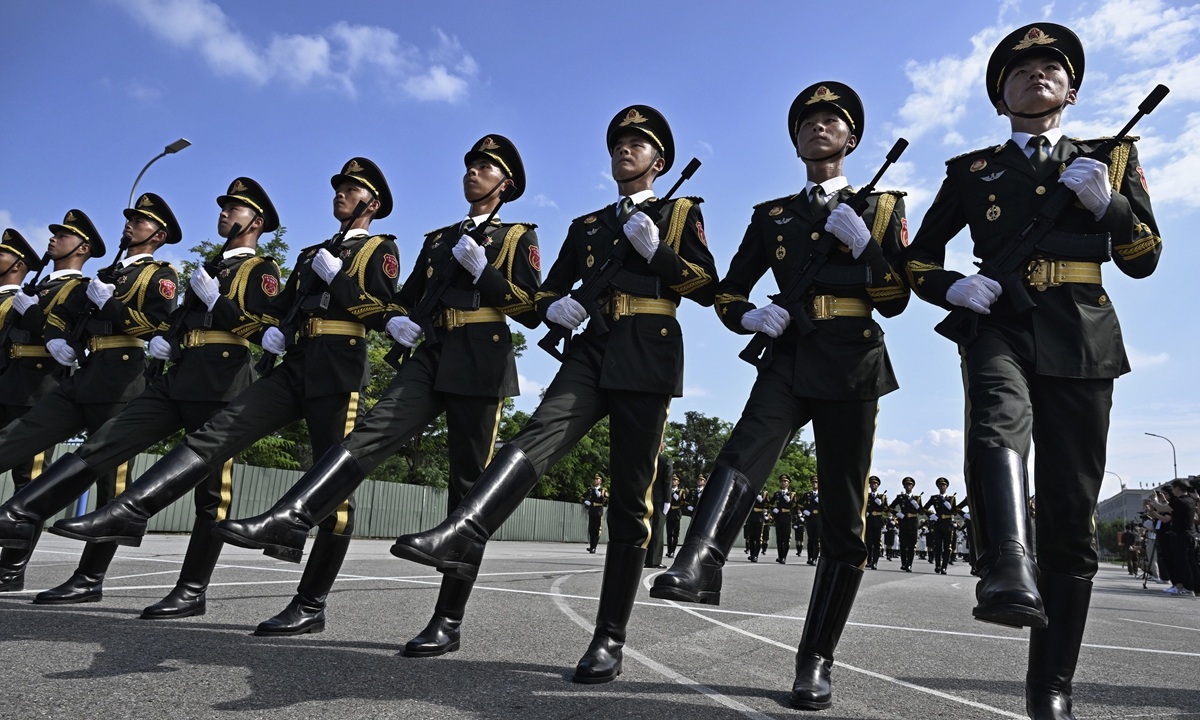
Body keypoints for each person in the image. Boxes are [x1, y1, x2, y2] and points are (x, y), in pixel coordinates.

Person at [390, 104, 717, 684]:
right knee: (536, 434)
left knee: (630, 498)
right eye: (619, 142)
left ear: (659, 162)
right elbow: (545, 293)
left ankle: (609, 637)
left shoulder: (679, 212)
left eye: (638, 145)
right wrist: (557, 310)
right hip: (592, 348)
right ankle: (463, 529)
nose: (626, 150)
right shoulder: (588, 227)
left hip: (648, 349)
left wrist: (658, 253)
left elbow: (705, 285)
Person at [903, 23, 1161, 718]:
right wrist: (952, 286)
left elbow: (1144, 256)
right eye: (1019, 71)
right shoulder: (973, 172)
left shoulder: (1109, 156)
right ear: (1000, 99)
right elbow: (918, 259)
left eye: (1051, 67)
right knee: (996, 420)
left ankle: (1050, 684)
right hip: (1001, 321)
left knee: (1073, 517)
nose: (1036, 75)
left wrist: (1110, 205)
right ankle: (1007, 566)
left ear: (1071, 90)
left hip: (1083, 333)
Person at [213, 138, 541, 653]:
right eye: (471, 166)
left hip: (482, 357)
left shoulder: (518, 235)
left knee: (466, 489)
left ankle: (447, 621)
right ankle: (290, 517)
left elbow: (526, 302)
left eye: (485, 168)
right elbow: (403, 299)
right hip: (432, 353)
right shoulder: (439, 239)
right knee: (370, 432)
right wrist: (392, 318)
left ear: (506, 185)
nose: (473, 173)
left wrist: (485, 271)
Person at [48, 159, 399, 637]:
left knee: (333, 493)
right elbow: (277, 313)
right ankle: (131, 510)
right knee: (221, 433)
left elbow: (377, 309)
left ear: (372, 204)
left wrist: (335, 278)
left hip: (339, 369)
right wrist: (271, 331)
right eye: (338, 186)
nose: (340, 193)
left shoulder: (380, 248)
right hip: (296, 363)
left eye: (352, 188)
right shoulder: (311, 252)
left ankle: (310, 604)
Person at [649, 82, 909, 710]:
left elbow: (897, 297)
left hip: (853, 363)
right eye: (809, 122)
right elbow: (729, 290)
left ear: (852, 139)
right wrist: (749, 318)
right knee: (743, 449)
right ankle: (699, 561)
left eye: (833, 121)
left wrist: (866, 246)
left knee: (845, 514)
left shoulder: (882, 204)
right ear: (795, 141)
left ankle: (816, 658)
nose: (820, 128)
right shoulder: (773, 216)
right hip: (790, 357)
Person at [0, 181, 281, 617]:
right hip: (176, 373)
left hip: (223, 381)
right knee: (100, 447)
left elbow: (265, 327)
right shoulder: (205, 267)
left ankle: (189, 590)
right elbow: (169, 323)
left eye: (236, 208)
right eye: (224, 207)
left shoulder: (260, 268)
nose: (225, 213)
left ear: (256, 222)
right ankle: (22, 516)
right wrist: (167, 340)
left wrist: (212, 305)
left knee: (210, 494)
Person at [0, 199, 179, 604]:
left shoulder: (161, 275)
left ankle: (89, 578)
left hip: (122, 378)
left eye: (140, 221)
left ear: (159, 235)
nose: (130, 225)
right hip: (86, 375)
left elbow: (155, 325)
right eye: (130, 219)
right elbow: (65, 319)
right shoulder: (104, 274)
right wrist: (56, 336)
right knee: (18, 438)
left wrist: (109, 303)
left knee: (111, 486)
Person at [1148, 480, 1198, 596]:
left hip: (1180, 536)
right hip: (1189, 534)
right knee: (1191, 563)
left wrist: (1154, 499)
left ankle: (1188, 587)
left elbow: (1161, 508)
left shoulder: (1179, 501)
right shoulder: (1190, 500)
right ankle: (1195, 588)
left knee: (1182, 563)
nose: (1173, 491)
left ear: (1178, 488)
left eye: (1173, 488)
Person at [923, 477, 956, 574]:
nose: (942, 487)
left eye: (944, 485)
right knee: (937, 546)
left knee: (947, 547)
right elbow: (924, 509)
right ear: (938, 487)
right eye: (940, 485)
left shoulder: (951, 499)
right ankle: (937, 565)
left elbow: (955, 511)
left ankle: (944, 567)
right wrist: (931, 515)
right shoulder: (934, 498)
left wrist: (950, 508)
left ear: (947, 487)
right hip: (938, 524)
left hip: (948, 525)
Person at [646, 445, 672, 569]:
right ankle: (654, 560)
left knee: (647, 528)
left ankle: (644, 558)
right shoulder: (665, 460)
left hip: (646, 497)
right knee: (657, 530)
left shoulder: (647, 458)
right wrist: (668, 500)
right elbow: (667, 482)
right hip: (659, 499)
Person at [890, 477, 921, 572]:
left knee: (912, 545)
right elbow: (890, 507)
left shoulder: (917, 498)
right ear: (904, 486)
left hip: (913, 523)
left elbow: (921, 511)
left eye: (910, 485)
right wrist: (897, 514)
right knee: (903, 544)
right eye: (907, 485)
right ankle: (903, 563)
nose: (908, 486)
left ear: (913, 486)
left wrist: (916, 505)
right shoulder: (900, 497)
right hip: (903, 522)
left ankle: (909, 565)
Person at [770, 474, 795, 564]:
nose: (783, 483)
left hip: (787, 518)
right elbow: (769, 503)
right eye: (782, 481)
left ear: (788, 483)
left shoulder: (792, 494)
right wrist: (773, 509)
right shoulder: (777, 494)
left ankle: (784, 556)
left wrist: (789, 501)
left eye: (785, 481)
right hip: (779, 517)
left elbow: (795, 506)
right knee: (779, 538)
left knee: (786, 538)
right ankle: (780, 556)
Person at [865, 476, 887, 570]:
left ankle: (875, 562)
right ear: (869, 485)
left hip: (877, 521)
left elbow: (886, 509)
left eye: (875, 483)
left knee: (877, 543)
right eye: (872, 483)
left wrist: (880, 504)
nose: (873, 485)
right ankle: (869, 561)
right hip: (869, 520)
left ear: (878, 485)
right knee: (868, 543)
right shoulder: (867, 496)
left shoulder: (882, 497)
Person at [583, 473, 609, 554]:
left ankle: (594, 547)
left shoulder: (603, 490)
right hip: (591, 511)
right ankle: (591, 547)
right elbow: (582, 496)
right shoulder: (591, 490)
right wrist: (585, 501)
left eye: (597, 479)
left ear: (600, 481)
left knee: (597, 530)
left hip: (598, 512)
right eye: (595, 479)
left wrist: (600, 496)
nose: (595, 480)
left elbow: (607, 500)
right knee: (591, 530)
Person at [800, 476, 822, 565]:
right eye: (813, 482)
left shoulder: (822, 495)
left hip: (818, 520)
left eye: (816, 482)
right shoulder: (807, 494)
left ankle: (814, 558)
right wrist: (804, 511)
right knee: (810, 540)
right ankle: (809, 557)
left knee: (817, 540)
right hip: (809, 519)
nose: (814, 484)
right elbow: (798, 504)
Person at [745, 486, 770, 563]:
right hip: (751, 517)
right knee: (751, 537)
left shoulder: (765, 494)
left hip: (759, 518)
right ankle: (752, 554)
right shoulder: (751, 492)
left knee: (758, 538)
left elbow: (768, 505)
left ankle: (756, 555)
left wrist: (761, 500)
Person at [666, 475, 684, 558]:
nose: (673, 481)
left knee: (675, 535)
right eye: (672, 480)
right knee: (669, 534)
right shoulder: (669, 490)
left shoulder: (681, 491)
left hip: (676, 515)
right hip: (669, 514)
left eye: (675, 480)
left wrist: (678, 499)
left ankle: (672, 551)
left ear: (678, 482)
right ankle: (669, 551)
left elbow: (683, 503)